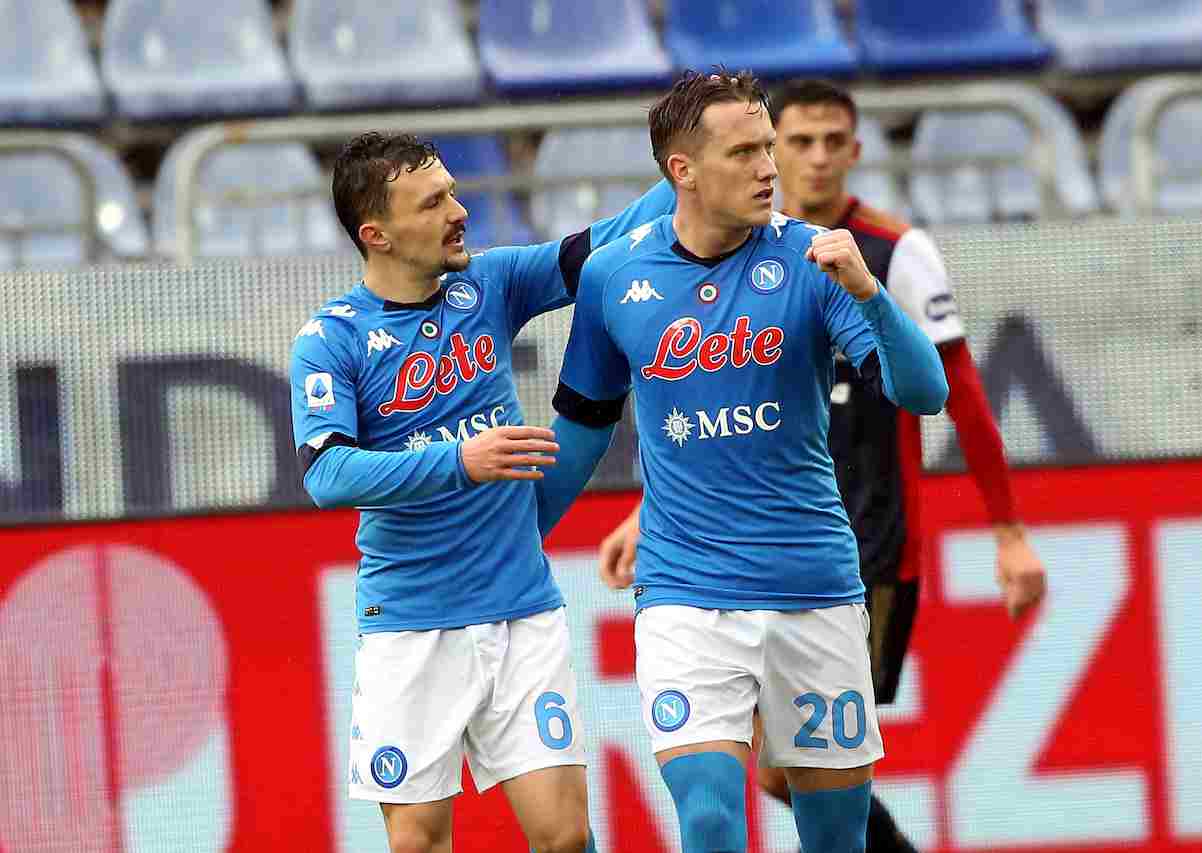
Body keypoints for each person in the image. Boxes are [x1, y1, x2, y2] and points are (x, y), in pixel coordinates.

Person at [597, 79, 1049, 852]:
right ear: (690, 167)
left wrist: (1007, 528)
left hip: (857, 544)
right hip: (706, 569)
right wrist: (648, 510)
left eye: (821, 142)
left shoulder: (887, 251)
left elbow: (954, 393)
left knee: (814, 787)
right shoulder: (655, 268)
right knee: (731, 792)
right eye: (781, 143)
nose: (799, 161)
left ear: (856, 150)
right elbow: (707, 410)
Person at [534, 70, 949, 853]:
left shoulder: (813, 260)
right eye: (746, 151)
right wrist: (521, 534)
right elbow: (584, 425)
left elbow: (923, 392)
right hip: (686, 593)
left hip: (815, 587)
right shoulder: (612, 276)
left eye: (769, 147)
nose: (771, 168)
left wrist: (868, 292)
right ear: (681, 171)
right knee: (712, 816)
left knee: (835, 833)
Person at [289, 131, 673, 853]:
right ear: (377, 233)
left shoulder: (489, 283)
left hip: (520, 611)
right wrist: (459, 459)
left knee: (565, 835)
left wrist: (696, 152)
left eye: (453, 191)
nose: (459, 210)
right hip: (409, 622)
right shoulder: (330, 340)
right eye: (433, 202)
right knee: (419, 843)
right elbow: (327, 474)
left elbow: (616, 236)